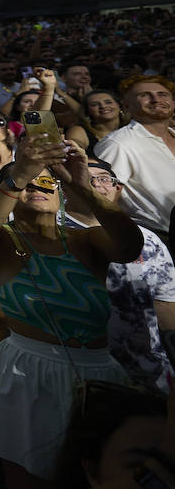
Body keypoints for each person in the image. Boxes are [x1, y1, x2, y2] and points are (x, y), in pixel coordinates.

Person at [0, 137, 143, 489]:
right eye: (28, 184)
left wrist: (84, 187)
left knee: (100, 479)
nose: (37, 188)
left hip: (99, 373)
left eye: (47, 182)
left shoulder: (86, 240)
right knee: (33, 484)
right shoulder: (3, 243)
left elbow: (130, 246)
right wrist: (19, 173)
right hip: (30, 372)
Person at [65, 157, 175, 392]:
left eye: (103, 179)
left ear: (118, 188)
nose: (94, 184)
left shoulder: (148, 239)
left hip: (148, 370)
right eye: (85, 179)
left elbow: (165, 305)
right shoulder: (52, 234)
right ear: (66, 185)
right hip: (77, 370)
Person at [97, 76, 175, 236]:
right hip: (160, 241)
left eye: (163, 94)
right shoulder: (118, 143)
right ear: (126, 105)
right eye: (145, 95)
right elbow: (102, 199)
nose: (155, 99)